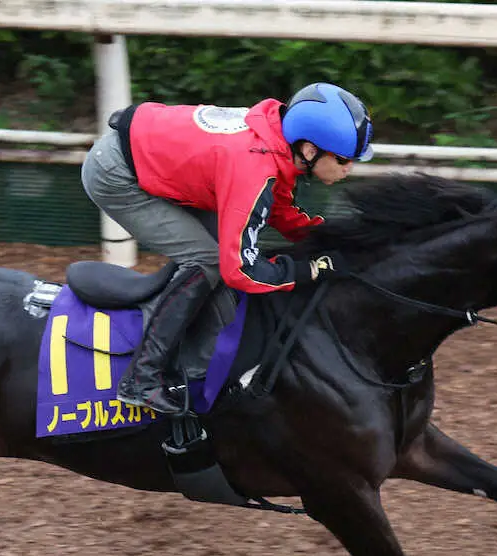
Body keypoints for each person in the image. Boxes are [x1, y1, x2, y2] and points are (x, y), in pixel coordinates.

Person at [81, 82, 374, 416]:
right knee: (207, 261)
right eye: (343, 159)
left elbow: (277, 207)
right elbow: (241, 271)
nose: (349, 168)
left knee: (217, 259)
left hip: (155, 159)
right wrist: (309, 270)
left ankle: (196, 365)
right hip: (116, 174)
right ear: (309, 151)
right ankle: (141, 378)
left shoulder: (278, 142)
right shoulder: (255, 166)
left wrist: (331, 237)